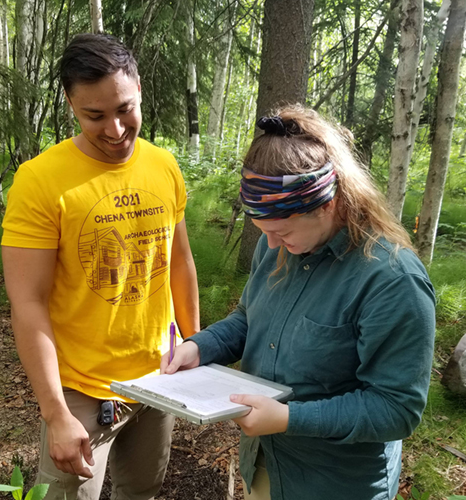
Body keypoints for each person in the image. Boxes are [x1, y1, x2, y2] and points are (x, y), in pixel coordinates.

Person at [162, 106, 436, 500]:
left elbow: (396, 408)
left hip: (334, 483)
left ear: (327, 204)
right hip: (264, 464)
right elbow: (248, 318)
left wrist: (289, 418)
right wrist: (199, 346)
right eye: (264, 232)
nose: (272, 245)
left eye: (283, 231)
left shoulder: (391, 281)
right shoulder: (277, 247)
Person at [1, 33, 199, 500]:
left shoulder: (163, 165)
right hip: (82, 390)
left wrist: (195, 343)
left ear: (139, 91)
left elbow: (179, 261)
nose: (114, 129)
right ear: (71, 104)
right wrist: (56, 413)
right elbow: (27, 302)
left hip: (158, 378)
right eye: (95, 115)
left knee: (143, 491)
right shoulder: (41, 181)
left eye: (124, 109)